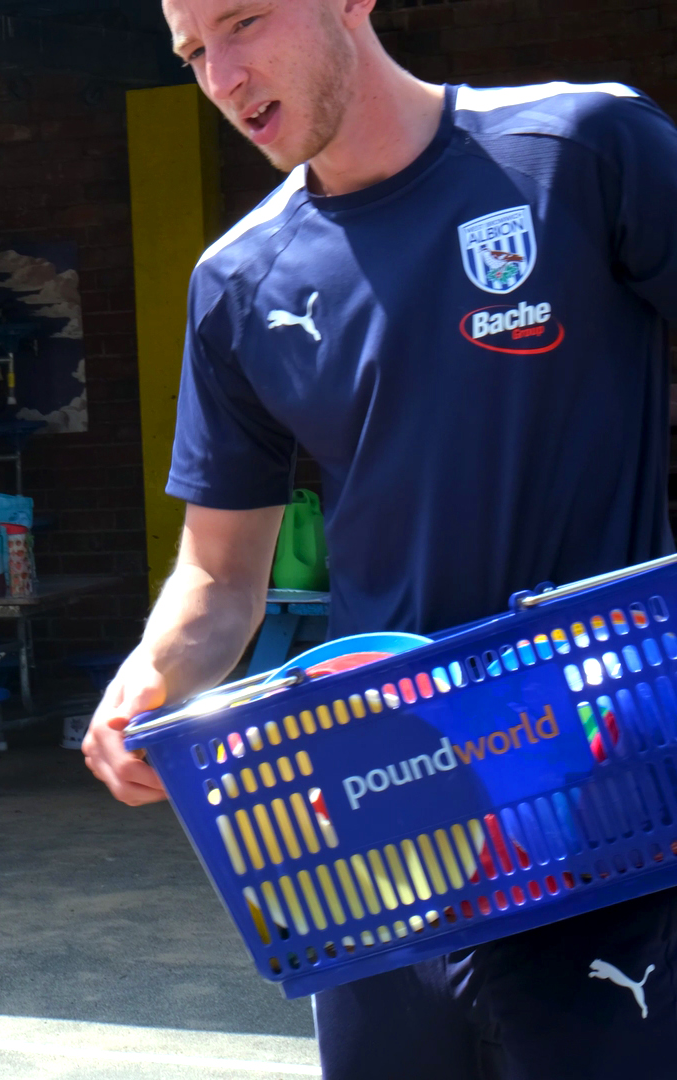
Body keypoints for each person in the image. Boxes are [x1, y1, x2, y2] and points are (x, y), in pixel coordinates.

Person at [82, 1, 677, 1076]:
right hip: (380, 831)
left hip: (611, 810)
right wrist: (147, 683)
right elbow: (219, 575)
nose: (221, 73)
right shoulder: (237, 283)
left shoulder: (585, 147)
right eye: (191, 50)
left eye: (243, 21)